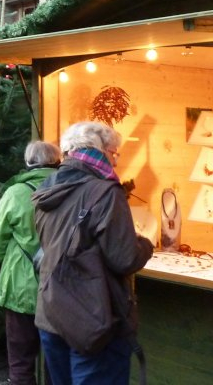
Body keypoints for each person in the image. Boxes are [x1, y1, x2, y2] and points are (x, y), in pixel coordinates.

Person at [32, 121, 153, 385]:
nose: (116, 161)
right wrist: (146, 245)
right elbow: (124, 259)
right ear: (100, 151)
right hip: (95, 318)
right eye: (114, 153)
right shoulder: (106, 192)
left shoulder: (47, 188)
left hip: (51, 313)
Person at [0, 141, 61, 385]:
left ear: (28, 162)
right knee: (57, 363)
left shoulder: (16, 193)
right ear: (57, 161)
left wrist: (11, 259)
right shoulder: (69, 189)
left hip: (20, 287)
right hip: (61, 288)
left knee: (20, 363)